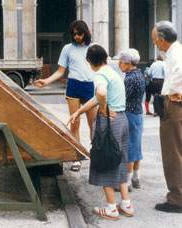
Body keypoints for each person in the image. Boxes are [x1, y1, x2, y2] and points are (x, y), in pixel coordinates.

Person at [68, 44, 134, 220]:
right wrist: (79, 112)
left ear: (89, 61)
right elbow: (97, 97)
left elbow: (101, 94)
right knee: (119, 160)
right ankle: (126, 204)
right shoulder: (113, 72)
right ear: (105, 57)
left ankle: (111, 207)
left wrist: (103, 108)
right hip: (122, 120)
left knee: (103, 161)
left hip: (108, 122)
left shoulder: (99, 75)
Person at [34, 20, 96, 171]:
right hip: (73, 85)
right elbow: (60, 71)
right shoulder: (67, 49)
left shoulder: (94, 48)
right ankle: (77, 157)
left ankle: (96, 156)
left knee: (93, 124)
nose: (76, 37)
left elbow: (101, 69)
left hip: (90, 86)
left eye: (79, 34)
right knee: (75, 122)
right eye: (74, 34)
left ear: (85, 32)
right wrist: (46, 81)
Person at [151, 20, 182, 213]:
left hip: (174, 104)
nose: (154, 43)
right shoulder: (176, 52)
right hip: (175, 103)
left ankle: (177, 199)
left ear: (162, 40)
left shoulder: (175, 55)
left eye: (155, 40)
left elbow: (177, 78)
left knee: (172, 153)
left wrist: (172, 92)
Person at [118, 49, 145, 191]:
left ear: (128, 63)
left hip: (129, 114)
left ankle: (127, 182)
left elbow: (124, 97)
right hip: (138, 113)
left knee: (128, 148)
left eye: (121, 62)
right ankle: (136, 177)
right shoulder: (139, 74)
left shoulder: (129, 78)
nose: (119, 64)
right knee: (136, 146)